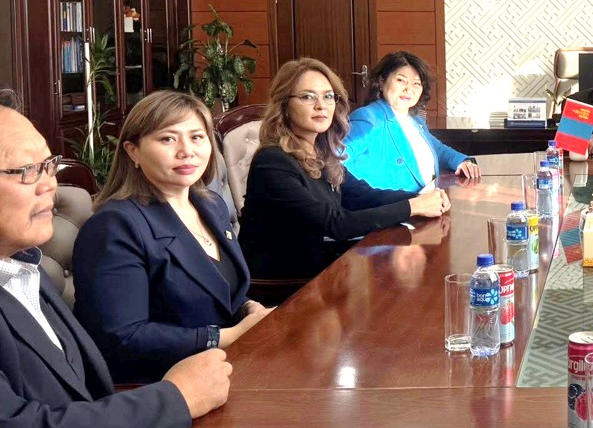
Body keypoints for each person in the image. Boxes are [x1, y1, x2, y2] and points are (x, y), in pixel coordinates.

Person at [0, 90, 231, 428]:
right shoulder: (116, 225)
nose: (50, 185)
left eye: (48, 165)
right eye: (26, 171)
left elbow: (85, 393)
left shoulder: (26, 270)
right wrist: (176, 397)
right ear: (132, 151)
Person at [72, 91, 272, 384]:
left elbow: (219, 291)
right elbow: (121, 338)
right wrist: (227, 336)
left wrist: (246, 307)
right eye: (168, 139)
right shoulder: (114, 226)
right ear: (132, 151)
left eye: (197, 137)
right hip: (158, 386)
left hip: (226, 368)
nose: (187, 151)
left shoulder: (211, 205)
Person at [238, 59, 449, 280]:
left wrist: (422, 200)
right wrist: (412, 207)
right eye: (308, 97)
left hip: (320, 265)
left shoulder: (321, 154)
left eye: (328, 96)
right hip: (283, 282)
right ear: (284, 105)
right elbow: (336, 224)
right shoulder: (272, 162)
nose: (321, 105)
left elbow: (365, 195)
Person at [344, 50, 480, 192]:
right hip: (392, 204)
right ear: (381, 81)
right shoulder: (368, 118)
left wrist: (462, 162)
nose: (409, 89)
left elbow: (437, 149)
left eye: (416, 83)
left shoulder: (415, 120)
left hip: (428, 199)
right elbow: (335, 164)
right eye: (401, 80)